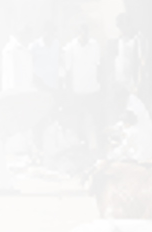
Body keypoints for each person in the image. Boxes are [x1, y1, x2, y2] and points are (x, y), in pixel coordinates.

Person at [64, 24, 106, 158]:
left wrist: (101, 86)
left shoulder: (95, 45)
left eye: (86, 32)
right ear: (78, 32)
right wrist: (69, 91)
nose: (84, 35)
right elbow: (68, 71)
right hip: (77, 91)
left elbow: (99, 66)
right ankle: (81, 148)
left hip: (93, 89)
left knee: (95, 119)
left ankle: (96, 148)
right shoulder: (70, 48)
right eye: (82, 32)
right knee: (78, 120)